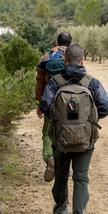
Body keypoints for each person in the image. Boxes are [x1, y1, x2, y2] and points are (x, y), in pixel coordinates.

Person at [39, 44, 108, 214]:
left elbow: (46, 106)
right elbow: (106, 106)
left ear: (64, 59)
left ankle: (61, 208)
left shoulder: (56, 82)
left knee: (61, 176)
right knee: (81, 178)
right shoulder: (92, 82)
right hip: (85, 141)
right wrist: (89, 120)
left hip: (60, 140)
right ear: (83, 60)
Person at [35, 32, 72, 182]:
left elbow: (40, 84)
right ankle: (64, 165)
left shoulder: (45, 58)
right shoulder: (72, 57)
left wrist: (39, 105)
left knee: (48, 133)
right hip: (70, 103)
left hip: (50, 102)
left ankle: (50, 157)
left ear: (56, 42)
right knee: (68, 132)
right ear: (70, 43)